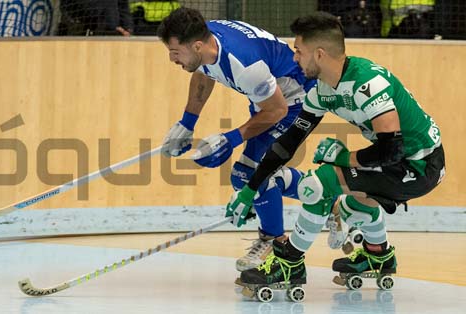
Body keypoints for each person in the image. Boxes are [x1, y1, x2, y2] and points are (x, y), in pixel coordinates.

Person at [230, 11, 445, 296]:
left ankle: (289, 263)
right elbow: (287, 144)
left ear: (318, 54)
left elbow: (390, 150)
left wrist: (344, 158)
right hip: (401, 163)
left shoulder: (368, 84)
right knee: (357, 201)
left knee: (318, 184)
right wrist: (251, 188)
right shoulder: (322, 91)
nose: (294, 58)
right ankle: (378, 255)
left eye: (298, 51)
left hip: (420, 166)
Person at [157, 8, 317, 271]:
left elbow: (277, 111)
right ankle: (324, 196)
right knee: (246, 176)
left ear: (197, 46)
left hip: (294, 103)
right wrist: (188, 122)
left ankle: (276, 246)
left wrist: (230, 138)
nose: (172, 59)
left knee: (249, 175)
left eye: (175, 52)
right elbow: (204, 70)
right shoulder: (205, 42)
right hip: (269, 97)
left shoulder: (244, 65)